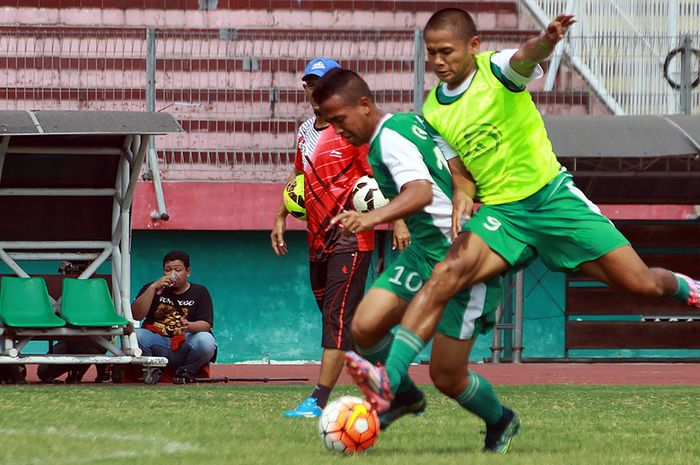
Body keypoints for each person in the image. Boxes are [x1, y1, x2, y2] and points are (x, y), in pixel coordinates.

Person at [337, 6, 700, 439]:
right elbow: (460, 171)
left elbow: (525, 57)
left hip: (551, 199)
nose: (437, 61)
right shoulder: (433, 110)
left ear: (473, 46)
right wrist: (463, 196)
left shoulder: (495, 70)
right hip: (502, 214)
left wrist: (547, 42)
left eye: (446, 51)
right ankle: (391, 381)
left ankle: (688, 288)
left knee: (639, 284)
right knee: (448, 272)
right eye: (431, 53)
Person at [313, 68, 518, 452]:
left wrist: (369, 218)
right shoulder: (406, 124)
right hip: (425, 251)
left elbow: (420, 192)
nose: (337, 130)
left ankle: (501, 419)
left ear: (364, 104)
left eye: (339, 120)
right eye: (329, 123)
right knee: (366, 326)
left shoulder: (389, 140)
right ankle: (404, 395)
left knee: (447, 376)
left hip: (462, 261)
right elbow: (453, 163)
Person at [271, 57, 409, 418]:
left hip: (350, 238)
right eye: (308, 81)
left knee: (337, 321)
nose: (312, 87)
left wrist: (397, 220)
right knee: (343, 323)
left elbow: (381, 176)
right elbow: (296, 178)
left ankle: (318, 399)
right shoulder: (304, 133)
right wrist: (281, 216)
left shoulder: (350, 131)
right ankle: (392, 380)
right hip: (316, 237)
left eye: (321, 80)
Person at [132, 250, 217, 379]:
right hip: (158, 341)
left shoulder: (200, 291)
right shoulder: (152, 288)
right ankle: (152, 370)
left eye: (178, 270)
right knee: (136, 337)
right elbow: (136, 315)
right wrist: (153, 288)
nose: (173, 274)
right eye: (168, 270)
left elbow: (206, 324)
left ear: (188, 272)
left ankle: (186, 371)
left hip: (184, 343)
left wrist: (189, 326)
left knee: (206, 341)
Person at [37, 261, 109, 383]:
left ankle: (98, 368)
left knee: (85, 348)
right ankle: (77, 370)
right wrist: (64, 273)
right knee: (43, 372)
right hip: (68, 339)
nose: (76, 271)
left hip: (94, 338)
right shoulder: (61, 285)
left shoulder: (99, 285)